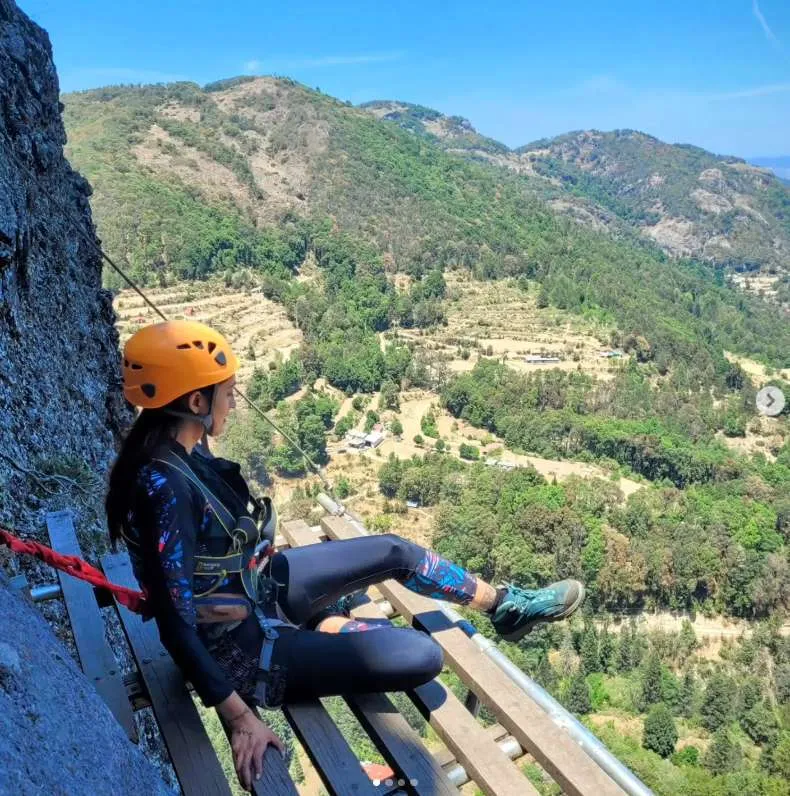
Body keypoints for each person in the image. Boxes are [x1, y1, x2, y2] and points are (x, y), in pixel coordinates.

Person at [106, 320, 585, 792]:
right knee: (422, 655)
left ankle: (504, 605)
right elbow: (174, 624)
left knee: (394, 548)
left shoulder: (183, 445)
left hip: (262, 587)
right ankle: (321, 630)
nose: (233, 402)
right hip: (244, 651)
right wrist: (239, 718)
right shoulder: (163, 486)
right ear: (195, 402)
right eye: (227, 393)